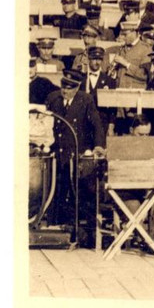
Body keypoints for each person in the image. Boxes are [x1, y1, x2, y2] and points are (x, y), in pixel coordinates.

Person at [44, 69, 107, 242]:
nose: (65, 90)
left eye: (70, 87)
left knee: (76, 191)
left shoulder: (85, 100)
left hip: (77, 153)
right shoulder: (52, 98)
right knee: (56, 189)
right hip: (57, 153)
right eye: (64, 85)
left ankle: (79, 229)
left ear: (77, 87)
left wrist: (98, 146)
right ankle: (56, 227)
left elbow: (97, 125)